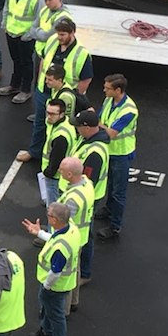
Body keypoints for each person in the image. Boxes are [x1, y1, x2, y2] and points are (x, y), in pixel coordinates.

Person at [26, 18, 93, 160]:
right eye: (58, 34)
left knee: (64, 128)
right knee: (40, 123)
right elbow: (43, 62)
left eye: (63, 35)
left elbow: (86, 79)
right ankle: (35, 152)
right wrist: (39, 83)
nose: (59, 37)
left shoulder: (81, 53)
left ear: (72, 33)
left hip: (64, 98)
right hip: (44, 92)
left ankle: (60, 157)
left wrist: (76, 97)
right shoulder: (52, 41)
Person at [22, 202, 80, 336]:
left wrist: (47, 286)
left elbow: (55, 272)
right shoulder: (71, 230)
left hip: (56, 286)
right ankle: (46, 331)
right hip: (62, 283)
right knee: (48, 309)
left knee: (56, 314)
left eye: (49, 215)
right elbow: (55, 239)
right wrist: (39, 232)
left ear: (54, 220)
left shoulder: (61, 249)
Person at [63, 110, 110, 287]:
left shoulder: (95, 152)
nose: (76, 128)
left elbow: (88, 179)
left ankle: (85, 272)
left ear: (87, 128)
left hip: (86, 198)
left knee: (85, 233)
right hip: (79, 193)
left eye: (78, 126)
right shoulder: (89, 139)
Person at [96, 74, 138, 240]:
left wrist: (98, 124)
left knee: (118, 192)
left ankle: (115, 226)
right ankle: (108, 208)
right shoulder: (108, 100)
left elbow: (111, 133)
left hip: (121, 154)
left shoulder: (129, 110)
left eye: (107, 88)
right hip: (109, 151)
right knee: (110, 184)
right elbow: (101, 119)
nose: (104, 90)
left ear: (118, 90)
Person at [55, 157, 95, 315]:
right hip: (81, 236)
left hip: (69, 240)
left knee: (65, 276)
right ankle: (74, 301)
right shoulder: (87, 183)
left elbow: (62, 222)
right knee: (76, 270)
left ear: (70, 174)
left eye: (62, 170)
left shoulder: (72, 199)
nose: (59, 171)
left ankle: (63, 310)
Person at [0, 0, 41, 104]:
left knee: (26, 62)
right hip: (11, 32)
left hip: (25, 35)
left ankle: (26, 90)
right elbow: (7, 7)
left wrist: (29, 34)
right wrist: (5, 24)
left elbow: (38, 19)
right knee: (16, 60)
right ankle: (15, 85)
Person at [24, 99, 75, 211]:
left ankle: (52, 227)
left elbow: (57, 158)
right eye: (47, 112)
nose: (48, 116)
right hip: (57, 174)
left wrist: (48, 173)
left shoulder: (61, 136)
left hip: (54, 176)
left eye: (52, 114)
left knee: (53, 209)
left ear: (62, 114)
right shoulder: (64, 123)